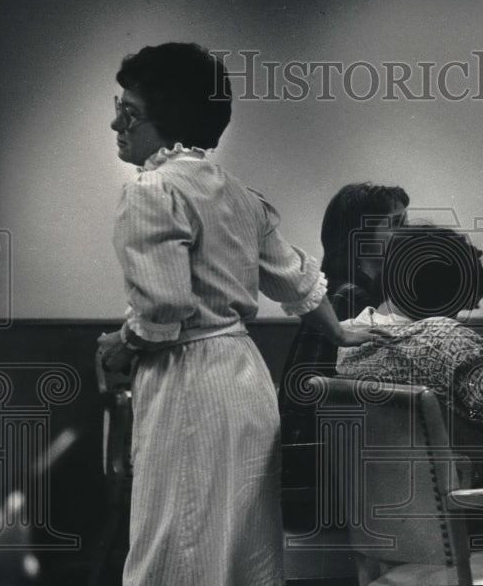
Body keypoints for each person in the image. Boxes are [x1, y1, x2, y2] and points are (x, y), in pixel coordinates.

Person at [97, 42, 373, 586]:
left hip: (187, 380)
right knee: (242, 541)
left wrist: (122, 345)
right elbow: (296, 281)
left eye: (129, 113)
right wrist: (340, 334)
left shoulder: (151, 191)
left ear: (168, 121)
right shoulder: (241, 196)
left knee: (176, 536)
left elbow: (164, 308)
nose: (115, 124)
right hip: (244, 382)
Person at [337, 224, 483, 487]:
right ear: (447, 296)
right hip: (473, 494)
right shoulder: (446, 338)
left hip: (382, 492)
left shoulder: (349, 338)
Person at [277, 181, 409, 442]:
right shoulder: (349, 295)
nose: (407, 233)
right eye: (395, 224)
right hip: (326, 442)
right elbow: (314, 387)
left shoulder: (352, 289)